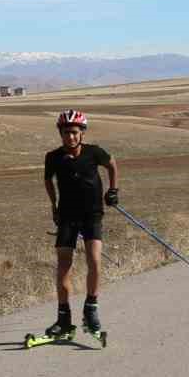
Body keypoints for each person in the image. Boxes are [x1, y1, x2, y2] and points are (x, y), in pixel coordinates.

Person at [43, 109, 118, 337]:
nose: (70, 137)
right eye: (66, 132)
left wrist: (112, 190)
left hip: (92, 215)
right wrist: (54, 205)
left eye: (74, 132)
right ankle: (63, 318)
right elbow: (48, 181)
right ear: (61, 133)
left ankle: (91, 309)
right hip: (67, 216)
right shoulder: (53, 157)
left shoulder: (94, 152)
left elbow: (112, 164)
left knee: (94, 260)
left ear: (82, 133)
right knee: (63, 266)